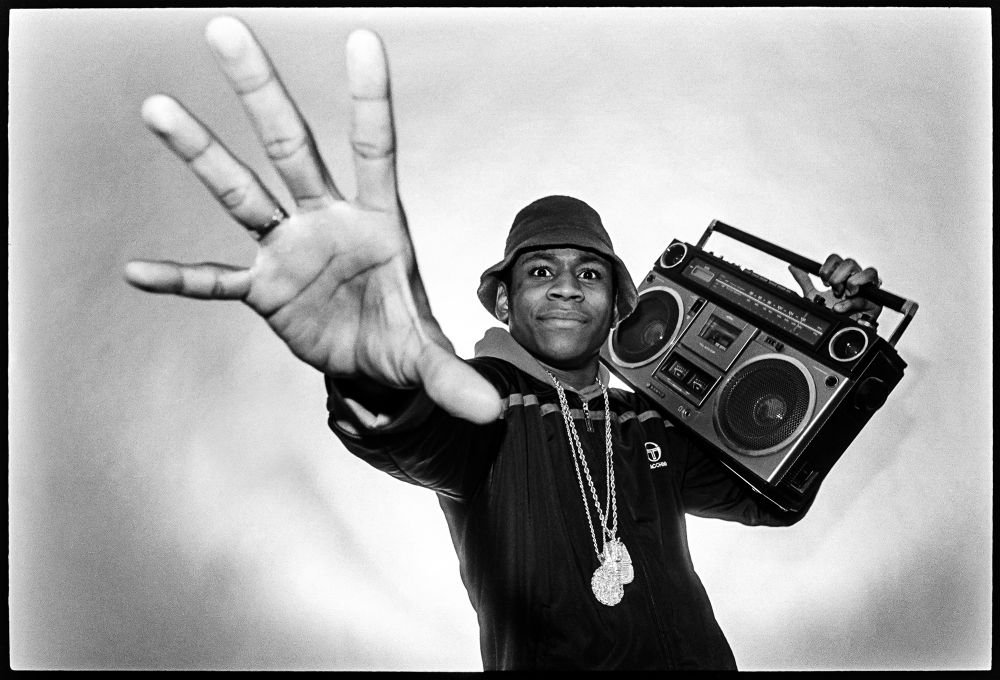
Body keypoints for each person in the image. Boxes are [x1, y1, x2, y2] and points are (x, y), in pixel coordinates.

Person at [124, 16, 882, 670]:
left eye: (589, 272)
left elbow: (770, 497)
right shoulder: (481, 401)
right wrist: (368, 373)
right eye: (540, 271)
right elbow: (412, 434)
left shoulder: (649, 422)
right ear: (506, 299)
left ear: (619, 304)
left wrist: (821, 344)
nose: (564, 286)